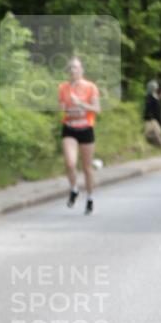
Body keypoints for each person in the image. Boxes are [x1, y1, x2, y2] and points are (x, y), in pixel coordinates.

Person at [57, 56, 100, 215]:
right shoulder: (63, 88)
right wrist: (67, 108)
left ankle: (90, 198)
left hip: (86, 128)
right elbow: (60, 107)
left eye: (76, 67)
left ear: (82, 70)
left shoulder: (90, 87)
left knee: (87, 168)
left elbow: (96, 109)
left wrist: (81, 104)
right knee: (70, 164)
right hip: (69, 127)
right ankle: (74, 189)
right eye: (71, 68)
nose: (73, 70)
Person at [143, 80, 161, 150]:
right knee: (158, 134)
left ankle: (159, 148)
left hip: (150, 120)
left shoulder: (149, 98)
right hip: (152, 121)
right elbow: (157, 114)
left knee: (156, 134)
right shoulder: (154, 99)